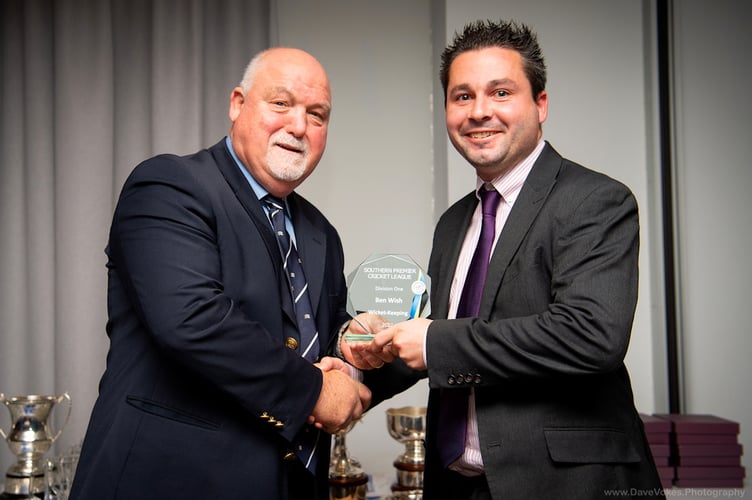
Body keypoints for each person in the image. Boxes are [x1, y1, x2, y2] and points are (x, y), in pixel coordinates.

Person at [344, 20, 665, 500]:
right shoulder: (455, 222)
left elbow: (591, 335)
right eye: (462, 96)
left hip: (565, 484)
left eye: (500, 92)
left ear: (540, 104)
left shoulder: (595, 199)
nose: (479, 112)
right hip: (457, 485)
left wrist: (432, 339)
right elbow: (449, 338)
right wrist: (364, 359)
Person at [69, 47, 371, 500]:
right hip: (166, 483)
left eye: (317, 115)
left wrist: (360, 350)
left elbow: (316, 343)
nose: (298, 126)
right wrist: (316, 392)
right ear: (237, 104)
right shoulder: (170, 186)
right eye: (281, 103)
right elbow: (193, 319)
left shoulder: (320, 233)